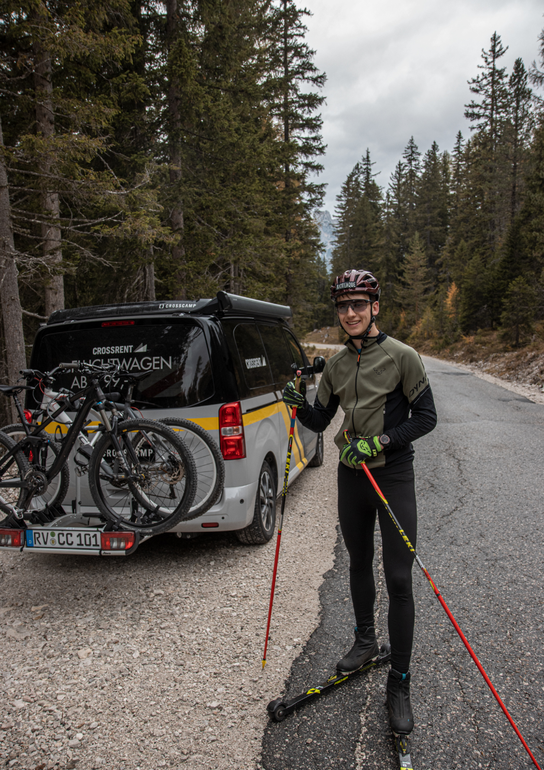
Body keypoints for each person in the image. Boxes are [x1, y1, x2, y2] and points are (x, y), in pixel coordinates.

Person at [282, 268, 437, 736]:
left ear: (374, 307)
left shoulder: (401, 356)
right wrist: (297, 404)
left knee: (398, 576)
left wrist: (382, 441)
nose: (349, 313)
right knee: (357, 562)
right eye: (343, 306)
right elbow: (322, 418)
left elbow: (427, 417)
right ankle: (365, 641)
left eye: (358, 304)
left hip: (391, 474)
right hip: (351, 477)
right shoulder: (335, 365)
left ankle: (400, 681)